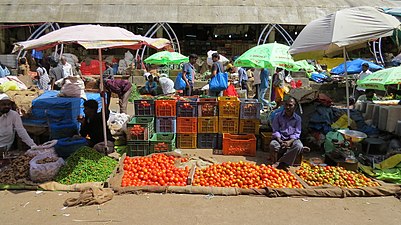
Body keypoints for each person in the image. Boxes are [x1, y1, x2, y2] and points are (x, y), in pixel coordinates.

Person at [270, 97, 305, 169]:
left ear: (295, 107)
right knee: (273, 145)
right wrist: (279, 140)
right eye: (286, 105)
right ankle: (285, 161)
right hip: (280, 138)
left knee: (299, 146)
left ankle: (280, 162)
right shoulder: (277, 116)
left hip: (292, 139)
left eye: (290, 105)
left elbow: (297, 133)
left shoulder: (298, 118)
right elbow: (275, 130)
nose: (287, 107)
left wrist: (289, 141)